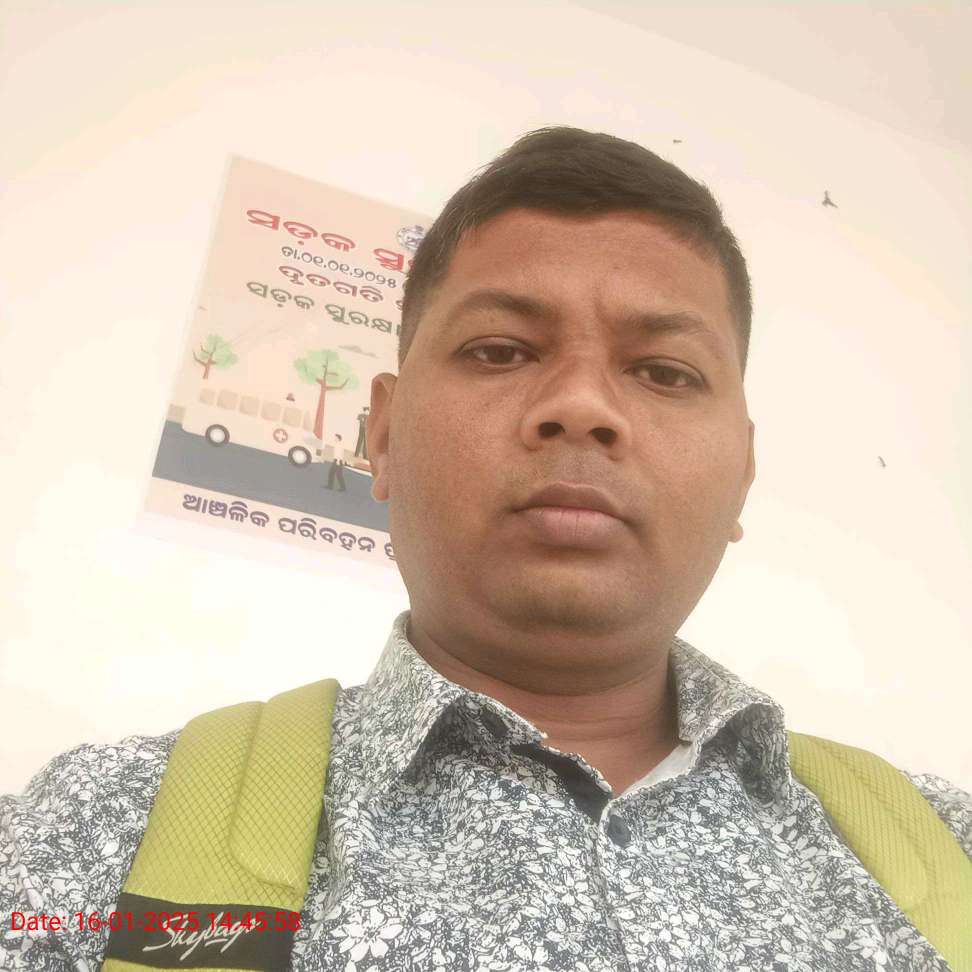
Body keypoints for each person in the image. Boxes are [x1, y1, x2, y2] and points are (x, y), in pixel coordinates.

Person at [2, 127, 970, 971]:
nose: (581, 406)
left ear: (744, 474)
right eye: (501, 351)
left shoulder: (946, 850)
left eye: (665, 371)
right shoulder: (96, 834)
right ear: (382, 436)